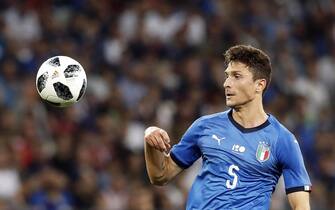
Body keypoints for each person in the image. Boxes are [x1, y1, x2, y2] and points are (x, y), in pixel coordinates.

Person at [144, 45, 312, 210]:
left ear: (259, 85)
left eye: (236, 76)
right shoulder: (204, 127)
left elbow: (301, 205)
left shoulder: (282, 139)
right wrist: (150, 136)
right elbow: (160, 176)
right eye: (227, 76)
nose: (226, 83)